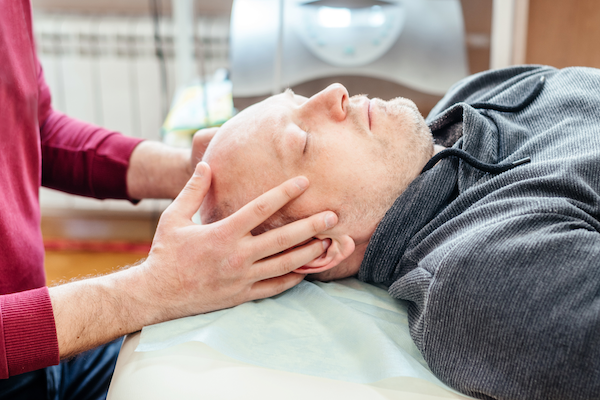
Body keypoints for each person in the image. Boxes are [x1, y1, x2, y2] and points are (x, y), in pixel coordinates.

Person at [0, 1, 338, 398]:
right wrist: (153, 290)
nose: (337, 93)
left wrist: (192, 170)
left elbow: (30, 127)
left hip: (36, 347)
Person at [200, 65, 600, 399]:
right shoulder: (484, 273)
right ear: (318, 247)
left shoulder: (474, 95)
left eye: (301, 101)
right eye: (303, 140)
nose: (334, 92)